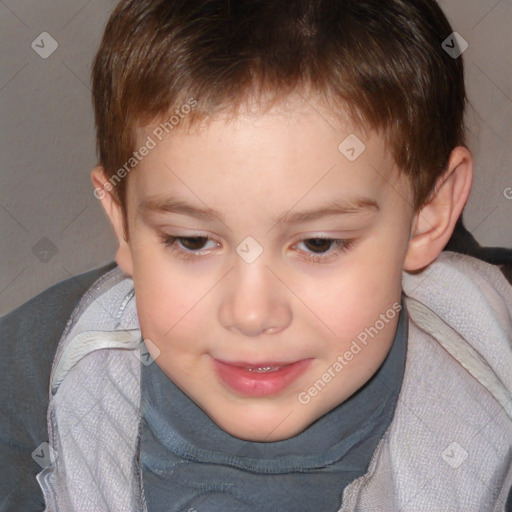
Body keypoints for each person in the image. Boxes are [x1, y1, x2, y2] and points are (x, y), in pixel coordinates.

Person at [1, 0, 511, 510]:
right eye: (193, 241)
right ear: (124, 223)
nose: (250, 313)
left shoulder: (493, 363)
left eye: (318, 244)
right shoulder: (51, 360)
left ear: (429, 211)